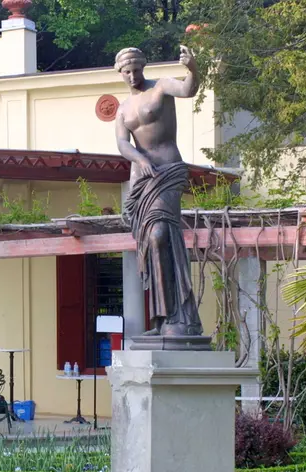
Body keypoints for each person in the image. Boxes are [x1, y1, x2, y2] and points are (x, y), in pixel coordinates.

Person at [114, 46, 203, 337]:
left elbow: (188, 90)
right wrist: (140, 160)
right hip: (142, 180)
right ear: (120, 73)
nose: (132, 76)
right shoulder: (122, 109)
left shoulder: (161, 86)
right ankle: (162, 320)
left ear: (143, 67)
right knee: (151, 245)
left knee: (159, 235)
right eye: (127, 72)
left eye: (136, 70)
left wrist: (193, 69)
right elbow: (123, 143)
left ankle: (179, 314)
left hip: (168, 172)